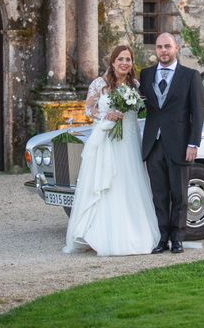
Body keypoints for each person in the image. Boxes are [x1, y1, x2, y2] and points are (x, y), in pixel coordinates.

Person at [63, 45, 160, 256]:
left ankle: (132, 233)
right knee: (107, 184)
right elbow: (89, 109)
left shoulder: (136, 85)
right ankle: (99, 234)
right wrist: (106, 116)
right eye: (120, 59)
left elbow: (144, 108)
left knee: (129, 183)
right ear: (113, 62)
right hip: (108, 140)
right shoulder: (99, 84)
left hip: (130, 142)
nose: (124, 63)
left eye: (128, 59)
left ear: (132, 63)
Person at [139, 33, 204, 254]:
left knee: (179, 194)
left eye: (167, 46)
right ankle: (162, 238)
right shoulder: (146, 74)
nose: (163, 51)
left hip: (180, 145)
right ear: (155, 50)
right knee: (159, 195)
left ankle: (177, 238)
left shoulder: (190, 76)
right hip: (153, 144)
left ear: (176, 47)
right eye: (159, 47)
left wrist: (193, 143)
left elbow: (198, 113)